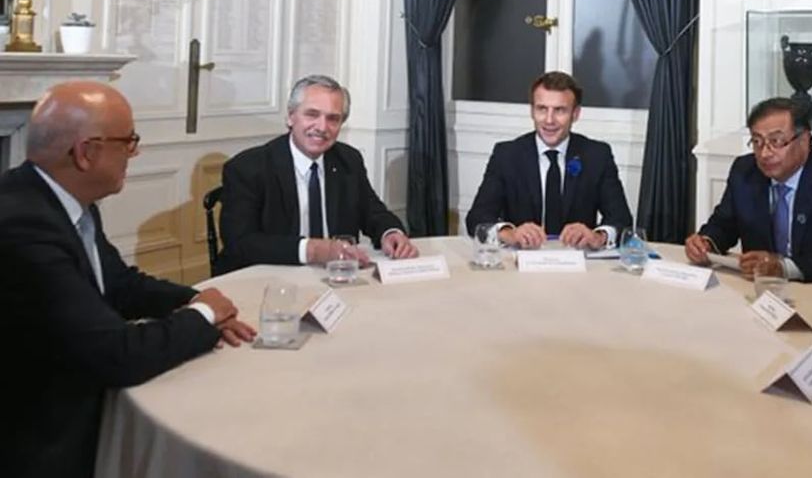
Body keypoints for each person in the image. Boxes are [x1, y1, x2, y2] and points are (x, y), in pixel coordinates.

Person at [0, 81, 255, 478]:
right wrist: (204, 316)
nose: (135, 153)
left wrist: (195, 298)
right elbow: (118, 355)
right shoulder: (24, 224)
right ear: (87, 153)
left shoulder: (62, 201)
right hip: (43, 439)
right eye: (129, 141)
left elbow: (119, 284)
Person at [218, 74, 417, 275]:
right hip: (270, 278)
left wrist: (390, 233)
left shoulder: (348, 159)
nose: (322, 127)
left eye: (333, 118)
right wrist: (313, 250)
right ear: (290, 117)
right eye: (312, 114)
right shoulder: (248, 168)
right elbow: (240, 242)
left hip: (336, 277)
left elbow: (372, 211)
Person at [685, 97, 812, 281]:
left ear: (804, 140)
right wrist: (706, 243)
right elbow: (724, 225)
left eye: (776, 141)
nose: (764, 153)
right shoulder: (745, 172)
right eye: (757, 142)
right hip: (757, 291)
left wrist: (784, 268)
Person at [465, 71, 632, 250]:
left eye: (560, 110)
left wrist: (598, 237)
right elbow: (476, 219)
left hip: (579, 265)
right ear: (532, 111)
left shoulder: (597, 155)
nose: (549, 120)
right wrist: (510, 234)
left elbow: (622, 221)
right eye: (542, 109)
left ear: (575, 114)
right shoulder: (507, 155)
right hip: (521, 264)